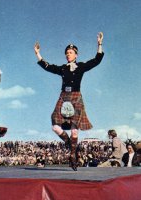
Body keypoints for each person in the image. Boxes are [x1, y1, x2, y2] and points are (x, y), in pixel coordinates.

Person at [34, 32, 104, 170]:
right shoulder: (62, 68)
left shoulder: (81, 67)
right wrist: (38, 54)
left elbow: (96, 60)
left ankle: (72, 155)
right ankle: (72, 148)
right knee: (55, 126)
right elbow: (48, 67)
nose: (68, 54)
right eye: (67, 52)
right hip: (63, 97)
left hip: (76, 97)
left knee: (74, 132)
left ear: (76, 55)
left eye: (70, 52)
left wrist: (99, 44)